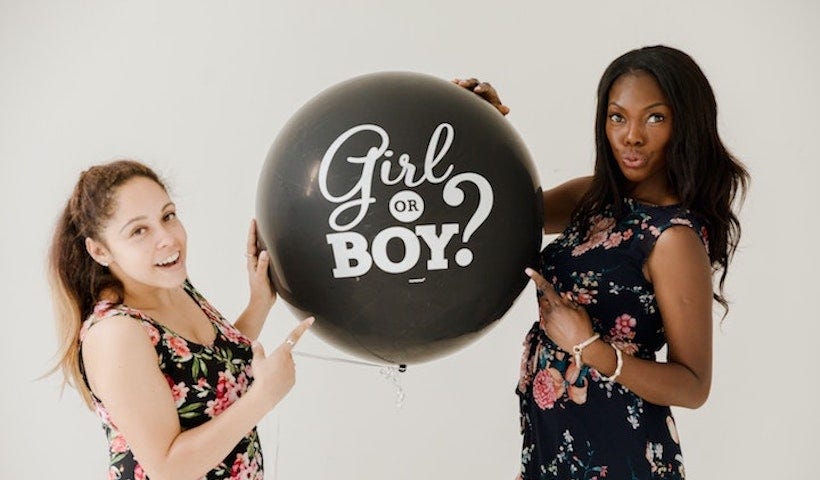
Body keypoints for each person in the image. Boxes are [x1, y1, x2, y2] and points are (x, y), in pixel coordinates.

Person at [456, 45, 749, 479]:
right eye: (618, 117)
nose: (631, 136)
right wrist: (480, 127)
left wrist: (591, 349)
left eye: (655, 118)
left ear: (686, 124)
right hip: (554, 443)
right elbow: (500, 210)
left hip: (619, 453)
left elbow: (693, 385)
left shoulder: (673, 238)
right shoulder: (593, 198)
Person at [47, 159, 313, 480]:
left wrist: (259, 303)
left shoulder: (169, 285)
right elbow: (169, 468)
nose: (168, 238)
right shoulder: (116, 333)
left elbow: (212, 375)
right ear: (100, 251)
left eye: (168, 216)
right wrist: (264, 396)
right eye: (139, 230)